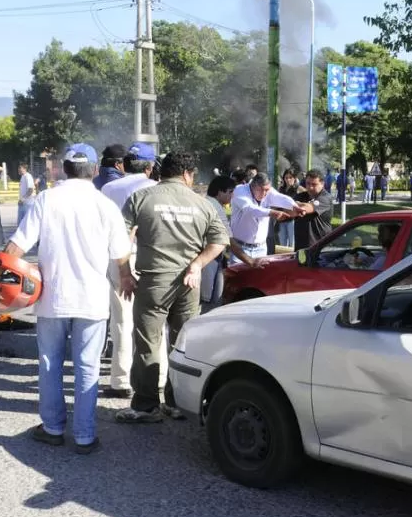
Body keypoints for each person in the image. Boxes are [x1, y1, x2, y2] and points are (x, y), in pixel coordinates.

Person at [0, 143, 132, 454]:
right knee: (87, 367)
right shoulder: (105, 206)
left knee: (50, 364)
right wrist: (127, 278)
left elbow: (17, 247)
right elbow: (120, 257)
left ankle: (52, 428)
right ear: (94, 171)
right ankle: (86, 436)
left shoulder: (46, 200)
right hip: (92, 301)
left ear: (63, 168)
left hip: (53, 299)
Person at [117, 151, 230, 423]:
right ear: (188, 174)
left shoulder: (141, 198)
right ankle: (178, 402)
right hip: (189, 284)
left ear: (161, 171)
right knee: (182, 344)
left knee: (147, 343)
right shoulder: (202, 204)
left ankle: (146, 406)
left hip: (154, 281)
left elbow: (119, 238)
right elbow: (220, 241)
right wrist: (197, 265)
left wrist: (124, 273)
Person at [99, 142, 158, 399]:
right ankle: (157, 379)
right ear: (150, 166)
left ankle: (121, 381)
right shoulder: (156, 188)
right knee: (153, 321)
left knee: (121, 320)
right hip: (150, 259)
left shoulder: (109, 187)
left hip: (117, 259)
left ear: (125, 163)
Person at [229, 173, 298, 263]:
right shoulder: (240, 190)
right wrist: (272, 213)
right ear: (253, 186)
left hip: (260, 248)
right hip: (240, 248)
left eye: (267, 190)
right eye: (261, 190)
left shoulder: (268, 191)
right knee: (239, 277)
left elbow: (281, 198)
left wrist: (295, 206)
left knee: (260, 277)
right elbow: (250, 209)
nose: (265, 193)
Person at [201, 175, 238, 312]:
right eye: (230, 192)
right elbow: (229, 240)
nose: (232, 196)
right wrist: (249, 261)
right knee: (209, 301)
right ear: (219, 192)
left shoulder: (210, 203)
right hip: (210, 256)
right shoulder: (214, 206)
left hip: (212, 256)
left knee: (213, 298)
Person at [292, 169, 334, 252]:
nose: (310, 187)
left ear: (322, 184)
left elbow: (307, 208)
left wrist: (294, 205)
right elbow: (287, 210)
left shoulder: (325, 197)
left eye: (314, 184)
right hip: (301, 248)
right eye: (308, 183)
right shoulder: (300, 196)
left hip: (321, 248)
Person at [277, 169, 301, 249]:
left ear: (294, 178)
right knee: (282, 243)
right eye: (286, 178)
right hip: (282, 218)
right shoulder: (281, 189)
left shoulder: (298, 188)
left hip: (293, 219)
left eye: (290, 177)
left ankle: (293, 260)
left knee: (292, 242)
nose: (288, 180)